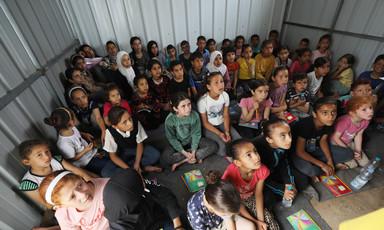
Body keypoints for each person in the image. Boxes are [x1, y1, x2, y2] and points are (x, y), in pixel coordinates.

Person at [39, 169, 185, 229]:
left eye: (79, 185)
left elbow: (160, 191)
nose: (82, 194)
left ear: (81, 177)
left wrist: (177, 224)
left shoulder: (112, 188)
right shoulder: (63, 214)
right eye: (72, 197)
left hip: (140, 221)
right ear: (59, 206)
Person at [291, 97, 354, 182]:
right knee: (310, 170)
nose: (331, 116)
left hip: (314, 149)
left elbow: (323, 141)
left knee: (349, 154)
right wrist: (322, 165)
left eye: (334, 112)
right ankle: (326, 168)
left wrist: (330, 160)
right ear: (314, 114)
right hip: (298, 153)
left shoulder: (328, 122)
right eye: (325, 113)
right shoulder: (306, 125)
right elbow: (300, 152)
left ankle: (326, 167)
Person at [222, 139, 280, 229]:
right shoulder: (230, 175)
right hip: (235, 203)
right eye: (248, 155)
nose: (256, 157)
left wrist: (261, 221)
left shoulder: (262, 169)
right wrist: (255, 221)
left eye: (255, 151)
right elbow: (236, 202)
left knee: (270, 225)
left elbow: (258, 194)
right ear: (237, 162)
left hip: (251, 197)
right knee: (250, 226)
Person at [19, 139, 95, 206]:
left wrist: (91, 181)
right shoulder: (28, 183)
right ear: (27, 162)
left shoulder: (56, 160)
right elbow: (47, 203)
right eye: (39, 155)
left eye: (47, 151)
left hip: (78, 188)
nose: (47, 156)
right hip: (66, 203)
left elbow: (76, 170)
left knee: (90, 176)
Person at [252, 119, 309, 207]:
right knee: (268, 199)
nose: (289, 139)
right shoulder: (256, 151)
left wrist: (289, 183)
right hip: (260, 178)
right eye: (283, 136)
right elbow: (258, 176)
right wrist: (282, 189)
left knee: (303, 180)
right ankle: (281, 194)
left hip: (273, 170)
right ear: (269, 139)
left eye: (289, 133)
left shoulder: (282, 144)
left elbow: (283, 163)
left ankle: (285, 193)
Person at [161, 92, 217, 171]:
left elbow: (196, 134)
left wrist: (193, 152)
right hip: (178, 142)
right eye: (183, 106)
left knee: (213, 146)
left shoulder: (194, 115)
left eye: (189, 104)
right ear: (175, 108)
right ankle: (194, 157)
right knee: (164, 159)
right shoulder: (169, 120)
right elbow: (172, 138)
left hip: (191, 140)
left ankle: (184, 161)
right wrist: (185, 153)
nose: (188, 108)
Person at [44, 107, 109, 175]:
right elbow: (72, 159)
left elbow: (76, 133)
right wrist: (85, 150)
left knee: (112, 153)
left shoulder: (71, 127)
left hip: (92, 152)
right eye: (74, 116)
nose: (76, 117)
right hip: (86, 162)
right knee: (108, 165)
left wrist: (84, 134)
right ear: (71, 122)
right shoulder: (64, 144)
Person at [101, 106, 162, 177]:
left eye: (129, 118)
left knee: (155, 155)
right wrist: (129, 169)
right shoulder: (110, 132)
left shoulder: (136, 122)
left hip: (136, 148)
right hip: (121, 153)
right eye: (124, 122)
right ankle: (142, 168)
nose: (130, 123)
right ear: (115, 126)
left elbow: (140, 143)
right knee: (105, 173)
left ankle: (135, 166)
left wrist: (137, 163)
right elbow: (113, 156)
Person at [187, 170, 257, 230]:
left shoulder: (222, 199)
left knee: (250, 226)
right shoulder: (195, 214)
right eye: (225, 214)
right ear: (211, 206)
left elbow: (228, 220)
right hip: (209, 227)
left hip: (220, 218)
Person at [197, 72, 241, 156]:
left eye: (221, 81)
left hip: (222, 123)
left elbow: (226, 115)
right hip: (209, 127)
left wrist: (227, 131)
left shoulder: (225, 95)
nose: (220, 85)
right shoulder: (203, 101)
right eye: (216, 82)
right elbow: (205, 123)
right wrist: (220, 134)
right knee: (223, 149)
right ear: (208, 86)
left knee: (238, 140)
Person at [330, 96, 372, 168]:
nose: (370, 111)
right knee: (353, 165)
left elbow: (358, 136)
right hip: (335, 143)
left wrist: (358, 151)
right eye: (364, 109)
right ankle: (336, 162)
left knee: (366, 163)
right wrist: (350, 152)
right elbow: (336, 138)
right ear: (352, 113)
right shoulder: (344, 122)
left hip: (348, 142)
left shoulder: (366, 121)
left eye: (370, 107)